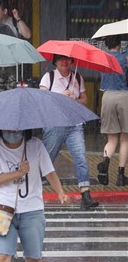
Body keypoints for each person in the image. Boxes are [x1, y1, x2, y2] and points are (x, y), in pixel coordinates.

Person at [0, 129, 71, 262]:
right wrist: (19, 172)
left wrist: (60, 192)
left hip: (32, 210)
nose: (12, 132)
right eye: (8, 128)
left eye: (16, 129)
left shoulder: (35, 145)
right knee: (1, 260)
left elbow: (49, 171)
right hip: (2, 208)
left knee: (34, 260)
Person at [40, 54, 99, 210]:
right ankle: (33, 189)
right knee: (47, 158)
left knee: (81, 158)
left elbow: (85, 99)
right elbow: (42, 98)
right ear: (55, 62)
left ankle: (85, 195)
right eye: (60, 59)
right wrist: (60, 96)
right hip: (55, 124)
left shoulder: (77, 77)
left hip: (75, 125)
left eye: (67, 59)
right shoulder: (49, 77)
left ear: (72, 61)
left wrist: (75, 98)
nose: (64, 61)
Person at [97, 35, 128, 186]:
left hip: (107, 96)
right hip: (123, 96)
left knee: (111, 139)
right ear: (119, 44)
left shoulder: (103, 58)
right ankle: (121, 176)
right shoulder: (125, 58)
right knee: (124, 139)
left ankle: (105, 163)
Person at [0, 1, 32, 94]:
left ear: (5, 11)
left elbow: (28, 35)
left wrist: (17, 18)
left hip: (13, 66)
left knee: (12, 95)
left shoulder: (13, 22)